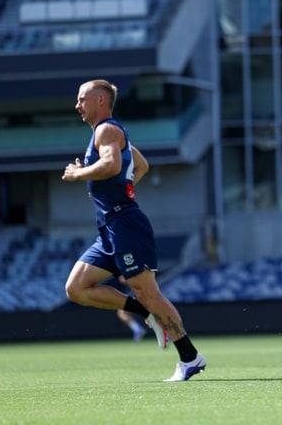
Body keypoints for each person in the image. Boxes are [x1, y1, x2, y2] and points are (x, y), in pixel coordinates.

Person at [62, 79, 206, 382]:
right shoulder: (105, 134)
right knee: (76, 289)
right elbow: (140, 166)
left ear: (101, 101)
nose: (77, 105)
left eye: (82, 98)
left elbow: (113, 166)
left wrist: (79, 175)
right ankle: (144, 313)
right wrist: (117, 188)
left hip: (124, 224)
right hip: (110, 228)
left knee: (148, 292)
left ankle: (190, 358)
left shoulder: (107, 130)